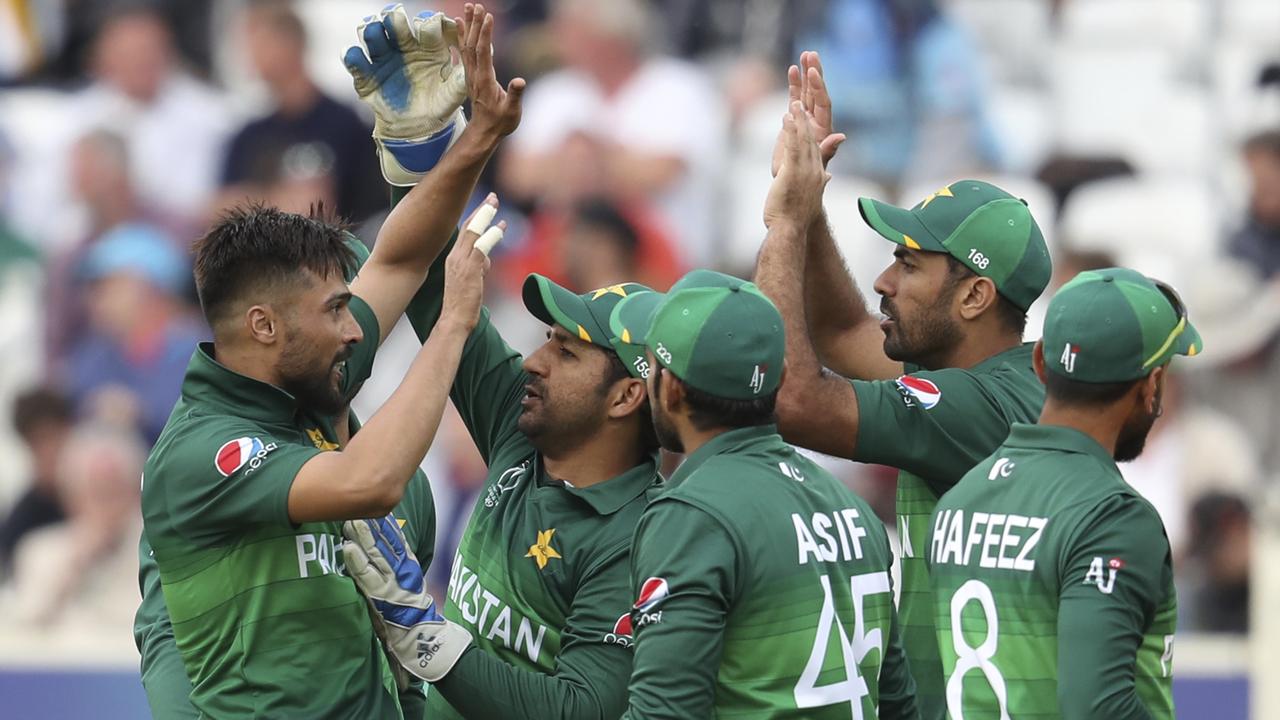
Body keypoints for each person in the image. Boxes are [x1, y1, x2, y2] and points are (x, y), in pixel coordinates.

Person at [136, 4, 509, 716]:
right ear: (264, 326)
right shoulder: (208, 452)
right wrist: (452, 325)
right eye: (336, 311)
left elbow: (401, 255)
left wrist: (468, 140)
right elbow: (370, 480)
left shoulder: (305, 366)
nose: (355, 330)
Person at [752, 51, 1052, 719]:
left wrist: (787, 221)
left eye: (910, 265)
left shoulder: (989, 408)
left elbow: (792, 398)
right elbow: (837, 329)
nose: (885, 281)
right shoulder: (965, 370)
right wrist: (811, 193)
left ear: (975, 296)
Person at [606, 107, 914, 719]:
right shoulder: (848, 508)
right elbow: (896, 703)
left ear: (669, 389)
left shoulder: (692, 514)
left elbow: (665, 712)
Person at [928, 267, 1199, 718]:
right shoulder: (1113, 517)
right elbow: (1098, 708)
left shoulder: (959, 499)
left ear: (1039, 363)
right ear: (1151, 385)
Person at [220, 0, 385, 223]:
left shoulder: (346, 126)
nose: (249, 52)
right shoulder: (249, 135)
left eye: (258, 41)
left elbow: (371, 208)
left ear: (290, 44)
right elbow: (217, 208)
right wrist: (277, 199)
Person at [0, 387, 72, 577]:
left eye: (55, 438)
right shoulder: (22, 519)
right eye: (39, 442)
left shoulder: (108, 495)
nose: (50, 451)